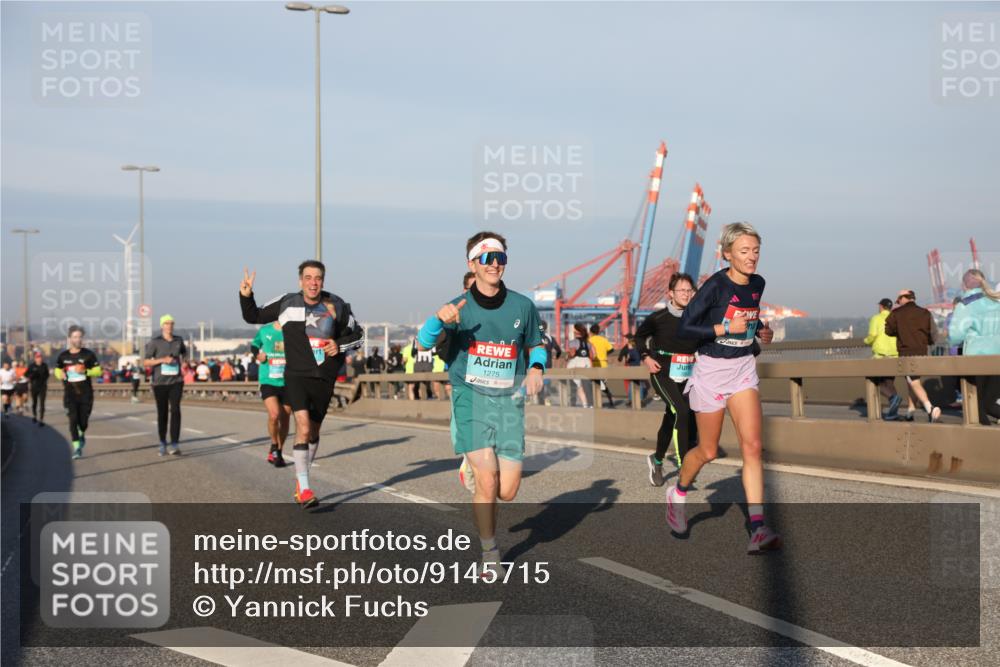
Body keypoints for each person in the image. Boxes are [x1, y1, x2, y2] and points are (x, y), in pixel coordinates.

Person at [416, 231, 544, 577]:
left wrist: (536, 367)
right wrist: (437, 320)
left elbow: (536, 343)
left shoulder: (522, 306)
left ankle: (475, 466)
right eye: (487, 258)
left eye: (500, 257)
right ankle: (489, 553)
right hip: (470, 398)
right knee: (487, 483)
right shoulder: (457, 306)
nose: (495, 264)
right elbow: (422, 342)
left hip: (509, 402)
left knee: (508, 490)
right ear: (472, 263)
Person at [667, 222, 780, 554]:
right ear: (727, 254)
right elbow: (687, 327)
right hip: (712, 371)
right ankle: (679, 493)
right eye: (744, 251)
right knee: (709, 451)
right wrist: (724, 327)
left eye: (756, 250)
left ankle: (758, 529)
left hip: (743, 368)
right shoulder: (715, 285)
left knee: (753, 446)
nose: (752, 257)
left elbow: (750, 314)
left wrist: (761, 329)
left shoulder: (757, 283)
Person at [240, 261, 363, 508]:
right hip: (296, 375)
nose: (313, 282)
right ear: (300, 281)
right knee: (303, 428)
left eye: (317, 278)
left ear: (323, 281)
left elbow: (358, 336)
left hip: (324, 378)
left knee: (314, 432)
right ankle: (305, 488)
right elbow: (253, 315)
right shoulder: (287, 302)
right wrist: (246, 295)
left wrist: (339, 345)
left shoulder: (337, 305)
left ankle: (301, 481)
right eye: (308, 278)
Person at [635, 272, 699, 482]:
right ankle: (685, 465)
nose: (686, 294)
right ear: (670, 293)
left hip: (688, 372)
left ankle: (658, 460)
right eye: (682, 290)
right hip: (662, 372)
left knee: (674, 416)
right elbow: (639, 336)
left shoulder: (697, 317)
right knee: (681, 410)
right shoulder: (658, 318)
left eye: (690, 290)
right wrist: (645, 357)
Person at [949, 269, 1000, 425]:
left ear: (964, 285)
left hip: (975, 360)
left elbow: (955, 336)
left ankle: (985, 443)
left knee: (975, 407)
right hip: (997, 359)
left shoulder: (965, 305)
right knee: (989, 403)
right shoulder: (996, 302)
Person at [885, 290, 941, 422]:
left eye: (898, 300)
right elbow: (933, 334)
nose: (898, 303)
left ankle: (930, 408)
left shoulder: (896, 313)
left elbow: (888, 330)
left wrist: (900, 332)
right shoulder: (925, 312)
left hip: (906, 352)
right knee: (913, 381)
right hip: (922, 351)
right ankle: (910, 411)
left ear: (903, 298)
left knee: (913, 381)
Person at [54, 325, 101, 459]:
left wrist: (85, 371)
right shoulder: (63, 356)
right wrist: (60, 374)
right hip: (70, 393)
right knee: (73, 420)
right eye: (75, 337)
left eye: (80, 337)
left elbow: (98, 371)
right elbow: (58, 369)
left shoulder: (88, 355)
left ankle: (82, 433)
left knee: (83, 422)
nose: (78, 339)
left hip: (86, 393)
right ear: (69, 338)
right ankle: (76, 448)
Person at [145, 314, 187, 456]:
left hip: (176, 381)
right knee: (162, 412)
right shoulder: (154, 342)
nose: (169, 326)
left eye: (171, 323)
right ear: (162, 325)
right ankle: (162, 441)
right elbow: (145, 362)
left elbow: (184, 354)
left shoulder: (178, 340)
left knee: (175, 410)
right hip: (160, 383)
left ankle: (174, 443)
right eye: (167, 323)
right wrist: (162, 360)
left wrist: (185, 363)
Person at [252, 322, 292, 466]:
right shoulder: (265, 330)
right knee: (274, 415)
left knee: (285, 418)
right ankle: (275, 445)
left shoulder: (293, 330)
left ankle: (278, 452)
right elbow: (254, 345)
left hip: (288, 381)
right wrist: (257, 354)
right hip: (268, 379)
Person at [864, 298, 902, 420]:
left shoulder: (876, 318)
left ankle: (893, 398)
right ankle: (893, 412)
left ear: (881, 306)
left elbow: (872, 335)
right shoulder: (896, 317)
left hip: (880, 355)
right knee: (889, 383)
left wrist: (865, 341)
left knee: (874, 381)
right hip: (894, 354)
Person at [589, 323, 616, 408]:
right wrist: (604, 354)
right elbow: (611, 350)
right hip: (603, 364)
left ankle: (594, 403)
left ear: (590, 332)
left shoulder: (589, 340)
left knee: (592, 384)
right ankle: (610, 399)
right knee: (601, 384)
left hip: (593, 364)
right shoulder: (603, 339)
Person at [566, 323, 594, 408]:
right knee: (585, 385)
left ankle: (584, 404)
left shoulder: (573, 342)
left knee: (578, 385)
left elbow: (572, 353)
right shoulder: (588, 342)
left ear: (576, 332)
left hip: (578, 363)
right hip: (587, 362)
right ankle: (589, 404)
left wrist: (567, 356)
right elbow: (592, 355)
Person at [537, 320, 562, 406]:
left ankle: (538, 400)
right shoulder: (550, 338)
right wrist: (557, 356)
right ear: (546, 328)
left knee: (537, 381)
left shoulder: (533, 337)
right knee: (546, 382)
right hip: (548, 363)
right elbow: (558, 350)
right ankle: (547, 399)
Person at [617, 334, 646, 404]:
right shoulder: (638, 347)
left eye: (626, 338)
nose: (626, 341)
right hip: (637, 367)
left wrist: (626, 358)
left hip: (631, 367)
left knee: (631, 384)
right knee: (638, 384)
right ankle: (640, 399)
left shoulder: (630, 350)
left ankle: (631, 400)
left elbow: (620, 358)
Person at [25, 351, 50, 426]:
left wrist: (43, 378)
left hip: (42, 387)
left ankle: (41, 420)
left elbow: (47, 375)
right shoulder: (31, 366)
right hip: (34, 386)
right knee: (34, 402)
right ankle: (34, 416)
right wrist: (32, 376)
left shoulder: (44, 365)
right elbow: (26, 374)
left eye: (40, 357)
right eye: (37, 358)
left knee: (42, 403)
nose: (39, 359)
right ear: (35, 359)